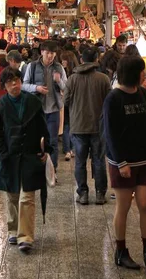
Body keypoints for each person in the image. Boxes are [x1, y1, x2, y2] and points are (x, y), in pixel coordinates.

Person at [103, 56, 146, 270]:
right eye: (142, 71)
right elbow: (110, 133)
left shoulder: (143, 93)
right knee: (123, 206)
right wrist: (121, 161)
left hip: (145, 157)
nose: (144, 75)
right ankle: (121, 251)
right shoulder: (113, 98)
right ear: (133, 73)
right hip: (122, 161)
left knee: (144, 203)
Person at [0, 68, 51, 253]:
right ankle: (14, 230)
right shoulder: (0, 106)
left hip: (30, 155)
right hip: (9, 157)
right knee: (12, 196)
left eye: (17, 80)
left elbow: (43, 127)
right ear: (4, 86)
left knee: (27, 197)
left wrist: (46, 148)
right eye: (10, 82)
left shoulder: (33, 101)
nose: (14, 85)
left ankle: (26, 237)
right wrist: (2, 154)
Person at [64, 47, 110, 205]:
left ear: (82, 60)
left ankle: (83, 194)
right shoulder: (103, 79)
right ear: (97, 59)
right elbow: (109, 102)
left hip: (78, 126)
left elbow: (66, 101)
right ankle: (100, 194)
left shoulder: (72, 79)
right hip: (98, 126)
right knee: (99, 160)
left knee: (80, 162)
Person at [22, 40, 67, 172]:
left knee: (52, 141)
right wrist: (37, 88)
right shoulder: (32, 66)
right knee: (36, 140)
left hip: (53, 109)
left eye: (53, 53)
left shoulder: (59, 68)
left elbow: (67, 87)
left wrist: (59, 81)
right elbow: (24, 85)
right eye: (48, 53)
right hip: (37, 110)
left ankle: (52, 169)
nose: (50, 56)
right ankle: (37, 167)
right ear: (42, 52)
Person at [60, 50, 79, 161]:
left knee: (68, 125)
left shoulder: (71, 74)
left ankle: (69, 149)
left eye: (64, 60)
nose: (62, 62)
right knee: (68, 125)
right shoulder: (73, 73)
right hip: (69, 101)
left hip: (70, 100)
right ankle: (69, 149)